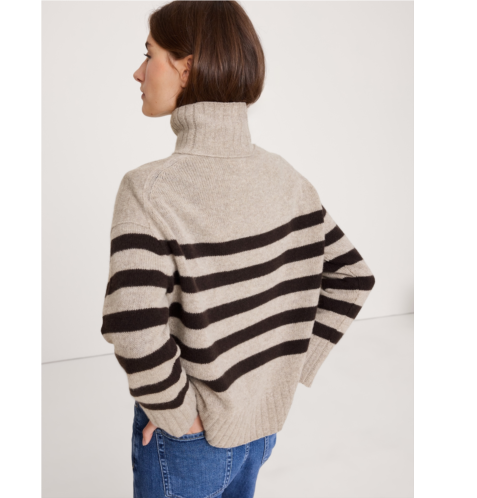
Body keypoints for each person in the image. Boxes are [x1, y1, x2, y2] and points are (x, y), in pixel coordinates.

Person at [101, 1, 375, 497]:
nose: (138, 72)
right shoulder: (287, 178)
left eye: (149, 54)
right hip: (261, 433)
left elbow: (134, 329)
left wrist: (177, 416)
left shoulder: (150, 189)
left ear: (186, 67)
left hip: (189, 440)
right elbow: (352, 277)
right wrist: (277, 379)